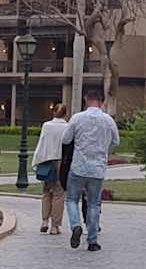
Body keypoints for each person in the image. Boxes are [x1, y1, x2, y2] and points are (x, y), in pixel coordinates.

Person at [66, 92, 118, 252]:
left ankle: (76, 225)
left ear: (86, 101)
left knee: (72, 200)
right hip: (98, 168)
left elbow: (66, 139)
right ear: (102, 102)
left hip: (79, 166)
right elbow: (116, 141)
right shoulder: (108, 120)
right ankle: (92, 240)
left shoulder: (77, 118)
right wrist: (105, 151)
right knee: (94, 204)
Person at [31, 104, 72, 234]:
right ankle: (55, 226)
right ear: (65, 114)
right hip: (61, 162)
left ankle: (44, 221)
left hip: (47, 161)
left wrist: (36, 161)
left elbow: (41, 144)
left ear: (53, 112)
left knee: (46, 191)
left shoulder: (46, 126)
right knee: (59, 193)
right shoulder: (68, 127)